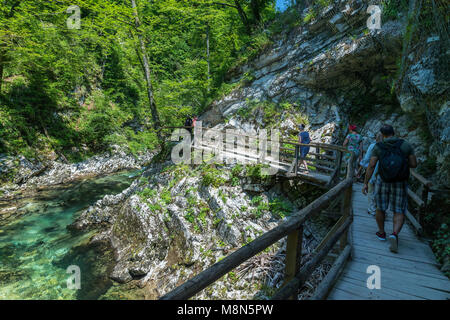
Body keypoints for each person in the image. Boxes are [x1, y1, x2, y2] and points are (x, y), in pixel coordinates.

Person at [362, 124, 417, 253]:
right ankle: (394, 234)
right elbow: (414, 164)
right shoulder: (405, 145)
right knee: (399, 210)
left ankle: (381, 233)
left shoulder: (379, 146)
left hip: (383, 180)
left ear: (382, 134)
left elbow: (371, 165)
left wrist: (366, 182)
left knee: (380, 207)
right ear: (394, 132)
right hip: (400, 181)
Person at [360, 132, 383, 216]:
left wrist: (361, 166)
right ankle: (380, 210)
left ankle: (372, 210)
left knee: (371, 191)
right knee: (381, 192)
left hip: (374, 174)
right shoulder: (391, 147)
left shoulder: (373, 146)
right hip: (386, 175)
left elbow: (367, 160)